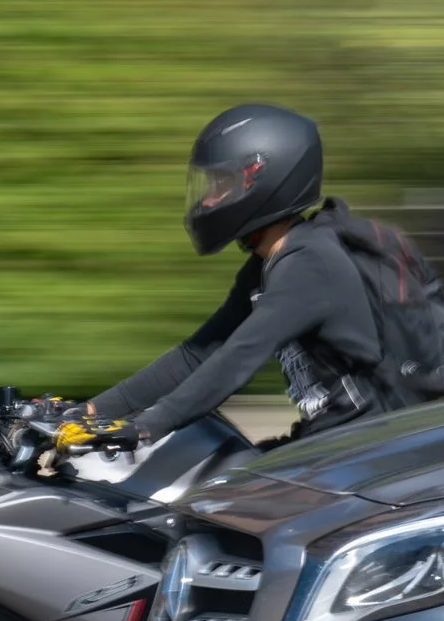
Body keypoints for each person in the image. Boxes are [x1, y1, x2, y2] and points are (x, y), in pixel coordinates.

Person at [69, 104, 384, 448]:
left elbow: (237, 359)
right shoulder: (266, 267)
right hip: (323, 441)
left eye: (221, 184)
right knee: (207, 459)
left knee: (212, 470)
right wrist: (88, 412)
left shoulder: (310, 263)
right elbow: (196, 355)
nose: (207, 201)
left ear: (263, 180)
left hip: (363, 448)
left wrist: (144, 428)